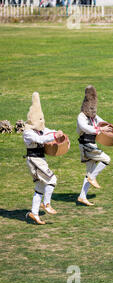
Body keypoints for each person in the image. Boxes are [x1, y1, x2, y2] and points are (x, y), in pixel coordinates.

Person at [23, 92, 65, 225]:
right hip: (34, 160)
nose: (41, 122)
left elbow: (47, 131)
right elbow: (40, 139)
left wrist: (57, 133)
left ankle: (34, 213)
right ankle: (46, 204)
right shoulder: (28, 132)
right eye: (39, 119)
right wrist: (53, 137)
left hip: (40, 159)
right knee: (52, 179)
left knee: (40, 186)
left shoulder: (40, 128)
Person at [76, 85, 112, 207]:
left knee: (89, 171)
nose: (93, 112)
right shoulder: (81, 116)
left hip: (91, 144)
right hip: (86, 145)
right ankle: (93, 177)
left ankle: (82, 196)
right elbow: (85, 128)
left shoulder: (93, 117)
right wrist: (99, 130)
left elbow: (102, 122)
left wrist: (111, 128)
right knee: (106, 159)